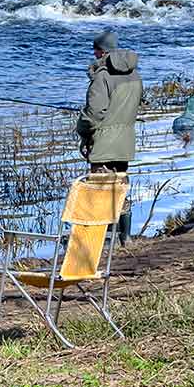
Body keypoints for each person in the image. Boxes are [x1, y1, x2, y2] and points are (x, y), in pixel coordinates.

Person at [75, 30, 143, 243]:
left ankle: (102, 238)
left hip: (103, 144)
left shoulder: (101, 77)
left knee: (100, 189)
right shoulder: (135, 75)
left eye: (95, 51)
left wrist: (82, 129)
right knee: (119, 187)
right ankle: (126, 236)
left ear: (100, 52)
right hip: (125, 142)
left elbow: (94, 114)